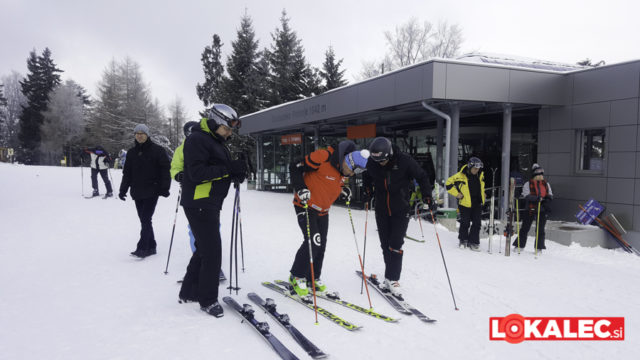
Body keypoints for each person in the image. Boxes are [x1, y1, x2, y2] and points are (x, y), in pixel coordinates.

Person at [178, 104, 246, 318]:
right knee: (212, 252)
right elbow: (197, 173)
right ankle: (207, 300)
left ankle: (189, 291)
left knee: (203, 249)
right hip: (199, 202)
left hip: (209, 202)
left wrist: (234, 173)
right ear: (216, 122)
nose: (229, 133)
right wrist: (228, 169)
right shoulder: (197, 140)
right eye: (227, 128)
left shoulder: (215, 141)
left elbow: (217, 170)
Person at [288, 141, 369, 297]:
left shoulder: (342, 170)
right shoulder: (323, 156)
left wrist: (343, 190)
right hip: (305, 206)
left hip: (323, 211)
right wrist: (301, 188)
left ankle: (313, 278)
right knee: (313, 242)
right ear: (348, 161)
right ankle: (296, 276)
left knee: (321, 245)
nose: (351, 175)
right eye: (352, 171)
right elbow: (295, 167)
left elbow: (329, 183)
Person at [362, 137, 432, 299]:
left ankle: (393, 279)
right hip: (381, 209)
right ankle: (389, 276)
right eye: (377, 161)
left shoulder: (405, 161)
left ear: (389, 154)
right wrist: (367, 191)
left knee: (396, 243)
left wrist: (427, 196)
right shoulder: (373, 162)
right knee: (385, 244)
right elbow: (367, 176)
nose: (380, 164)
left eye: (383, 161)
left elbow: (422, 176)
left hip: (401, 209)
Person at [118, 124, 171, 258]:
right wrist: (123, 189)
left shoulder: (158, 150)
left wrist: (165, 188)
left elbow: (165, 170)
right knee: (144, 219)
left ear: (147, 135)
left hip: (152, 190)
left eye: (142, 133)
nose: (139, 135)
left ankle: (142, 247)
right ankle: (152, 246)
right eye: (137, 133)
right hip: (137, 191)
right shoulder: (131, 152)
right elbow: (127, 173)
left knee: (146, 218)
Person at [446, 157, 485, 251]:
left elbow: (481, 186)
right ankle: (463, 240)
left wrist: (483, 193)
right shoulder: (460, 175)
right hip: (465, 203)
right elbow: (448, 184)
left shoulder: (480, 175)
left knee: (477, 223)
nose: (477, 170)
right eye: (475, 168)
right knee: (465, 222)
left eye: (478, 169)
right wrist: (457, 194)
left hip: (477, 203)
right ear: (470, 167)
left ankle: (474, 242)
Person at [513, 163, 553, 252]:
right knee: (525, 227)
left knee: (540, 229)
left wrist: (547, 199)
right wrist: (536, 198)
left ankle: (539, 247)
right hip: (530, 208)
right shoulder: (528, 183)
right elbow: (526, 195)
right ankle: (519, 245)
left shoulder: (546, 184)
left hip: (542, 208)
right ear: (534, 174)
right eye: (538, 174)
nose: (540, 176)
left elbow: (550, 194)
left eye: (541, 174)